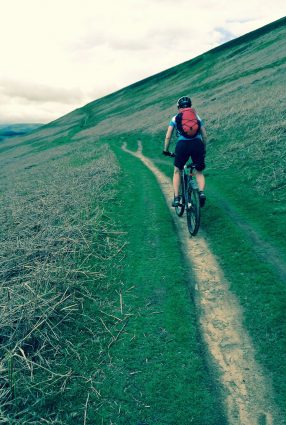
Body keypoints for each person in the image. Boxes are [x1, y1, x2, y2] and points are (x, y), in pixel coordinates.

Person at [163, 96, 207, 207]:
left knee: (177, 171)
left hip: (182, 146)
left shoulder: (175, 118)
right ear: (190, 106)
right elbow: (204, 135)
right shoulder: (196, 116)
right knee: (199, 171)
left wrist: (166, 150)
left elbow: (168, 137)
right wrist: (203, 148)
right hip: (197, 145)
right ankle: (201, 193)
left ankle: (177, 198)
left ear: (179, 107)